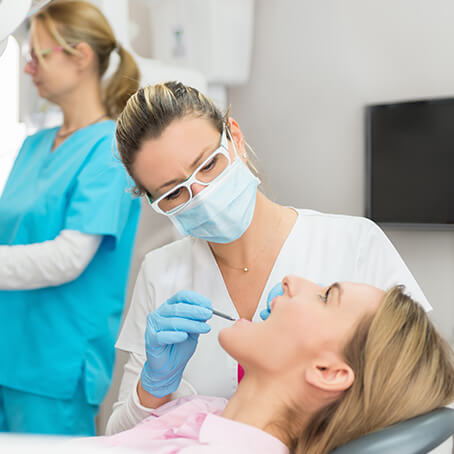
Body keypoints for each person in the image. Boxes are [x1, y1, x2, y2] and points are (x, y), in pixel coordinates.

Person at [106, 81, 432, 434]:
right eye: (173, 194)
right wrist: (153, 388)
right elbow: (119, 437)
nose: (201, 196)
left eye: (209, 165)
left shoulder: (355, 242)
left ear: (235, 138)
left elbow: (419, 399)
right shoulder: (161, 271)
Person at [92, 278, 454, 453]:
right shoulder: (206, 412)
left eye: (326, 296)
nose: (291, 281)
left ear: (328, 371)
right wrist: (154, 389)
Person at [0, 0, 141, 435]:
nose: (28, 68)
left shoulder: (111, 149)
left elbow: (68, 258)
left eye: (37, 55)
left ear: (80, 56)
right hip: (9, 350)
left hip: (54, 366)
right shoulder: (33, 145)